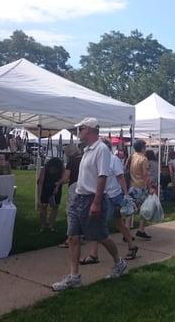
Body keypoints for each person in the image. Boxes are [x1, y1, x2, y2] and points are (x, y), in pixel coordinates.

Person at [52, 118, 127, 291]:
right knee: (73, 237)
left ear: (90, 129)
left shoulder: (101, 149)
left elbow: (102, 176)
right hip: (78, 197)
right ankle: (74, 276)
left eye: (81, 128)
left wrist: (97, 202)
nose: (78, 131)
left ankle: (119, 263)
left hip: (91, 199)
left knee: (100, 236)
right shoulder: (86, 150)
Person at [80, 139, 139, 265]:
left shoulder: (113, 160)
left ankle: (94, 254)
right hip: (104, 195)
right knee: (115, 224)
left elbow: (120, 177)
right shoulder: (100, 160)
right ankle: (131, 245)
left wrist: (126, 194)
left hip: (113, 196)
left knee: (99, 224)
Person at [126, 139, 152, 240]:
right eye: (145, 147)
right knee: (144, 209)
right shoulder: (143, 159)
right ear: (142, 148)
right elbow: (145, 175)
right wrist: (150, 187)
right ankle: (141, 230)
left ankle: (126, 230)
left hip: (132, 186)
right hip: (141, 187)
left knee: (130, 210)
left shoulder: (132, 156)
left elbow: (126, 168)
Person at [58, 144, 82, 248]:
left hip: (74, 187)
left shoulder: (71, 161)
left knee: (71, 213)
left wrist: (59, 182)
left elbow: (66, 177)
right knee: (82, 211)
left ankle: (70, 238)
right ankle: (81, 235)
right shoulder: (84, 159)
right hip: (85, 186)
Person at [37, 157, 65, 232]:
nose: (53, 169)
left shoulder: (61, 169)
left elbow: (64, 179)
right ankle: (44, 225)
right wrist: (39, 198)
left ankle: (50, 225)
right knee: (44, 206)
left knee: (54, 207)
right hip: (46, 189)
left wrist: (58, 185)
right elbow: (40, 183)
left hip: (55, 189)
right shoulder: (45, 169)